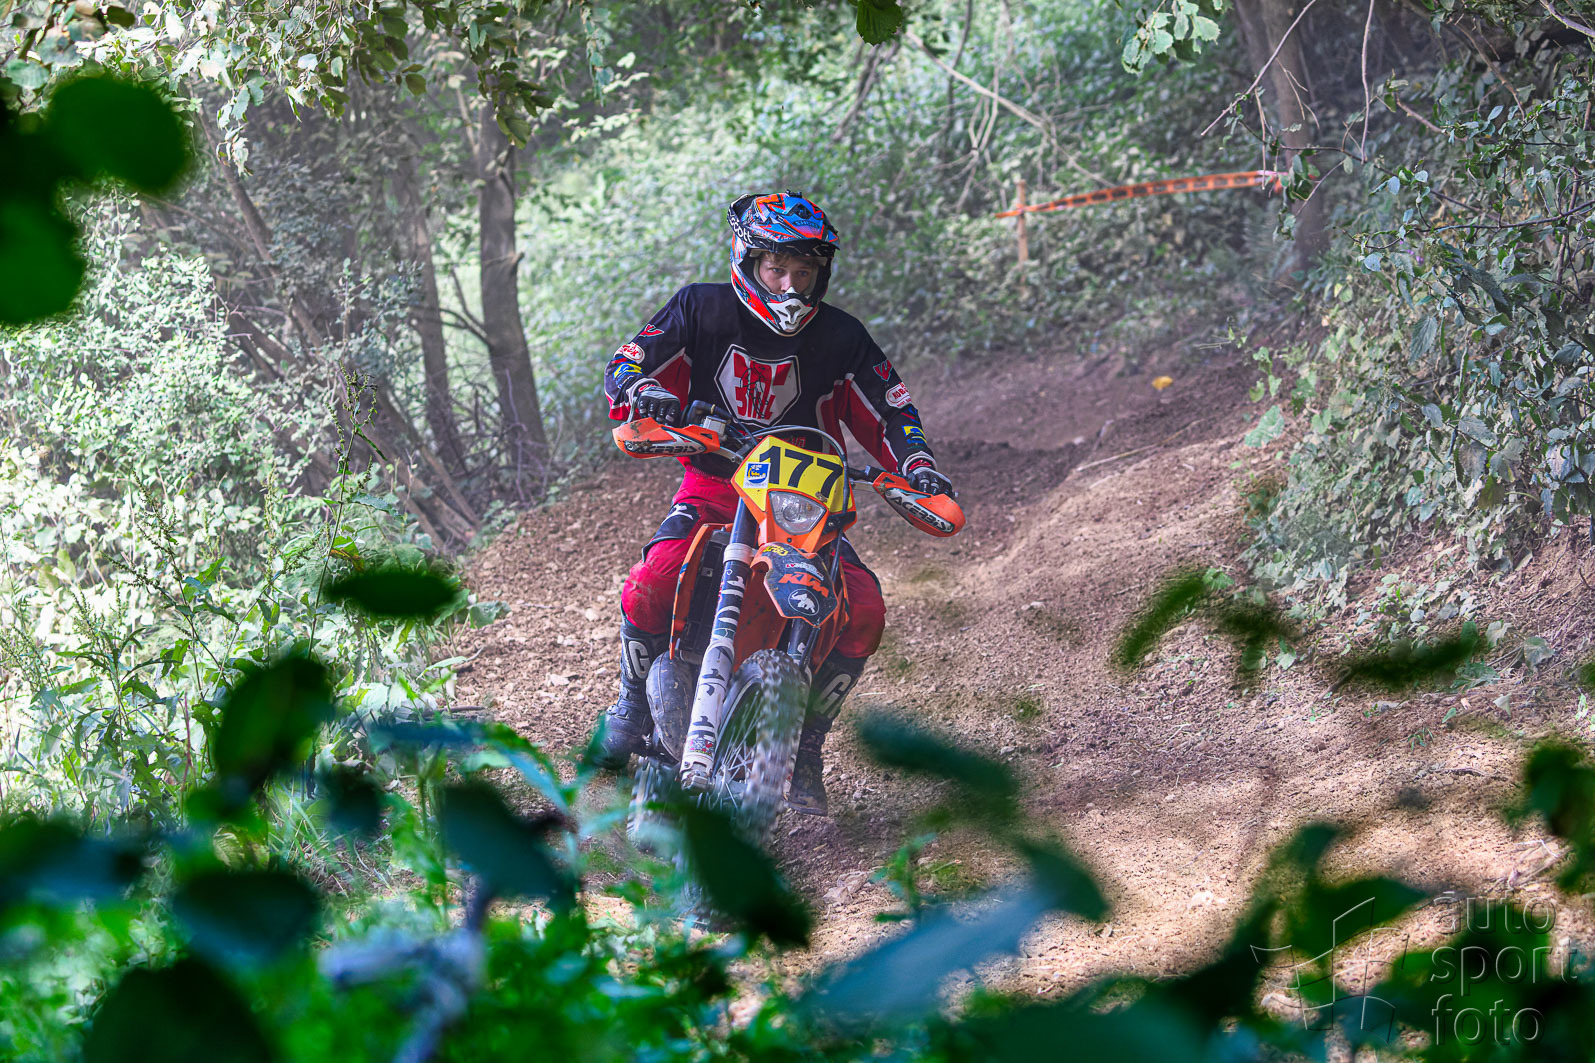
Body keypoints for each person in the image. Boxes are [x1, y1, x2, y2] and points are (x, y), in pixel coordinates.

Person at [592, 191, 953, 815]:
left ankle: (806, 746)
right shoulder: (700, 308)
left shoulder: (842, 336)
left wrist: (915, 463)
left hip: (804, 500)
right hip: (715, 485)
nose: (790, 285)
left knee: (863, 611)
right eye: (777, 268)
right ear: (748, 262)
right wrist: (643, 387)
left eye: (804, 272)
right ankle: (630, 705)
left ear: (820, 275)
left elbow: (892, 409)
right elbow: (628, 360)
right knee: (653, 579)